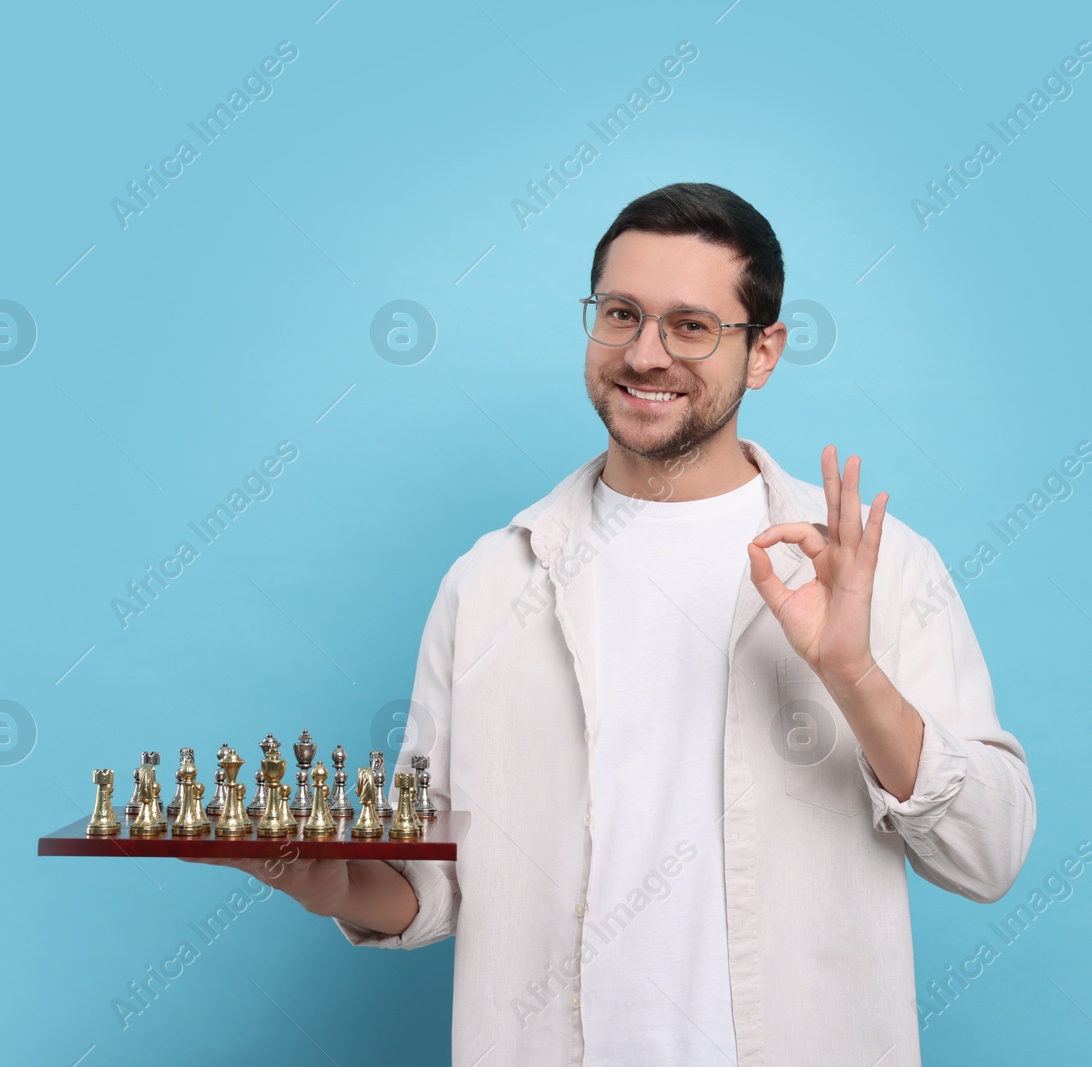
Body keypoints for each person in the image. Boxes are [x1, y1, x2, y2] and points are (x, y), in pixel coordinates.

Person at [194, 182, 1035, 1065]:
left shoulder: (878, 568)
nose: (646, 354)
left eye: (692, 325)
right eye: (622, 313)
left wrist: (854, 674)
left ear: (764, 351)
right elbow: (431, 883)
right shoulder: (489, 581)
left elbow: (989, 853)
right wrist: (331, 883)